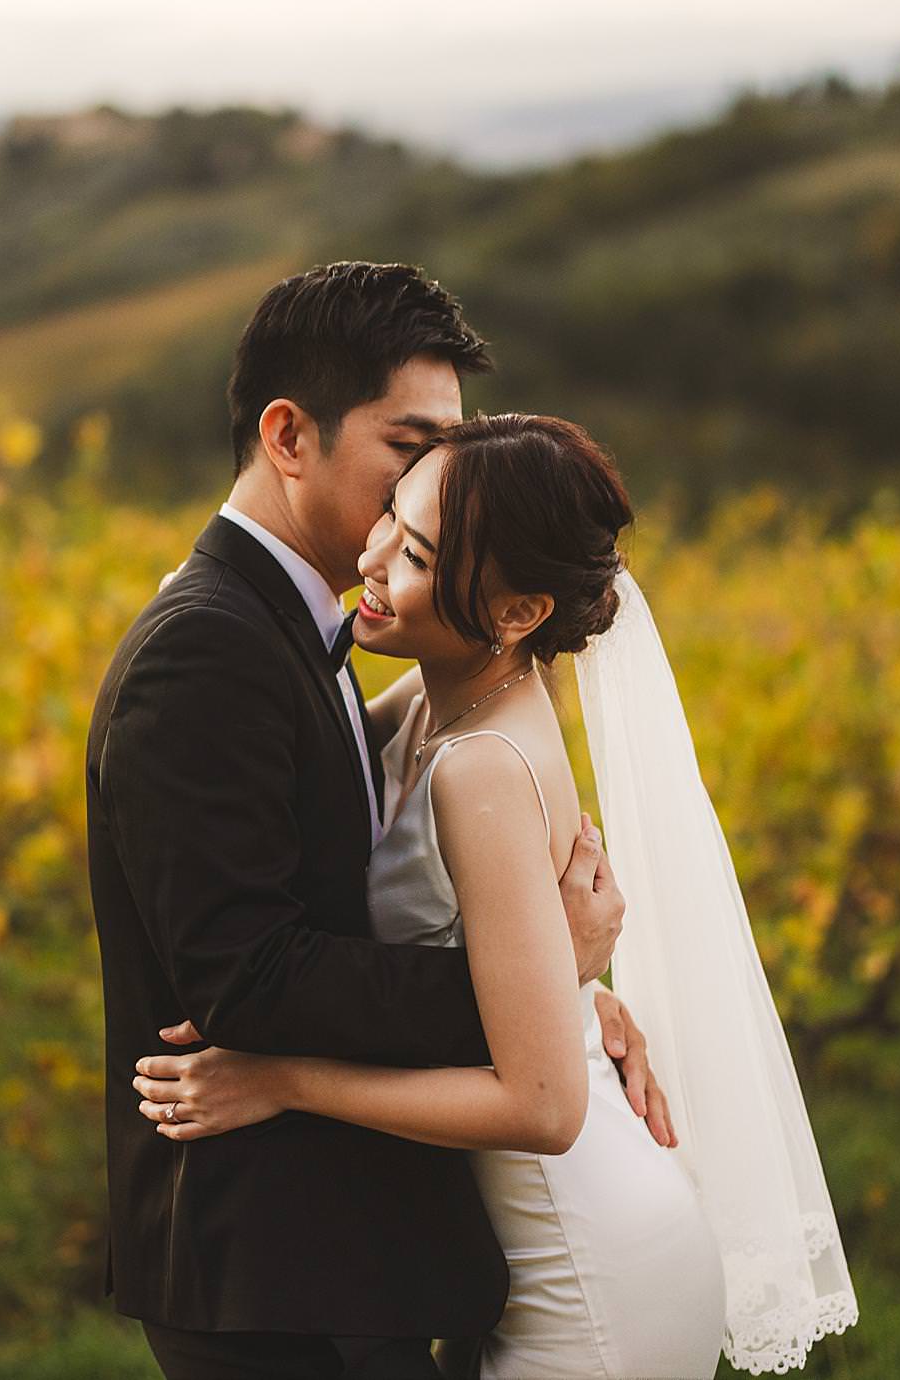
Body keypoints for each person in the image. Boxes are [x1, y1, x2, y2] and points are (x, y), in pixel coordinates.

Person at [132, 414, 861, 1378]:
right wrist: (568, 983)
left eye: (420, 553)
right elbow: (293, 701)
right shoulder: (441, 700)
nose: (375, 555)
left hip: (588, 1271)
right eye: (392, 514)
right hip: (572, 1243)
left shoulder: (477, 765)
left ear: (517, 614)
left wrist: (279, 1080)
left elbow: (546, 1105)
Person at [84, 263, 674, 1380]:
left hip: (341, 1250)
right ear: (289, 435)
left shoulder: (327, 634)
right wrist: (542, 987)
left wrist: (565, 990)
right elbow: (247, 977)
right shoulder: (205, 649)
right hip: (270, 1262)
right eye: (410, 448)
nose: (440, 477)